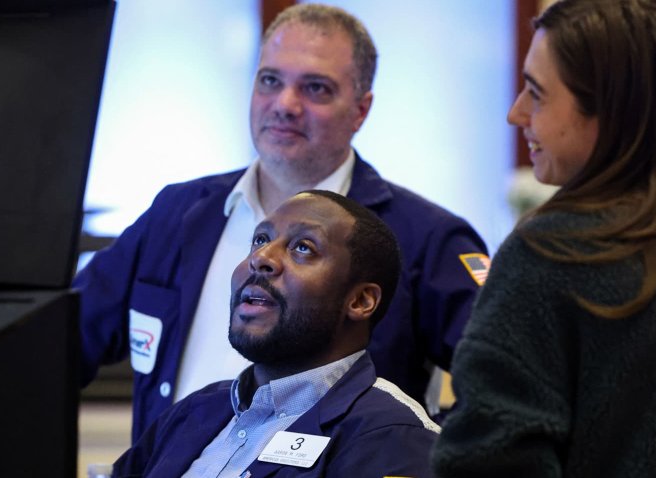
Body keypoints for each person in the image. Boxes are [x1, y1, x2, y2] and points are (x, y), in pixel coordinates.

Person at [75, 3, 488, 441]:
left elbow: (505, 386)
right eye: (270, 81)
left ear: (361, 110)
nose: (286, 105)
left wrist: (419, 455)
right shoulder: (177, 213)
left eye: (316, 88)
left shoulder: (424, 236)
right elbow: (57, 347)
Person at [432, 0, 656, 476]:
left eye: (536, 93)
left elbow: (488, 462)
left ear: (613, 112)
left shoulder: (550, 254)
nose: (516, 114)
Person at [113, 190, 440, 477]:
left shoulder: (394, 436)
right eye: (260, 239)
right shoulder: (194, 412)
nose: (261, 258)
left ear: (360, 300)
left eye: (303, 247)